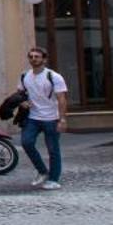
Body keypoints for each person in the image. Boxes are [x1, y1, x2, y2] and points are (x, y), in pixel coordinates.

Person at [18, 45, 70, 190]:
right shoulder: (24, 76)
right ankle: (42, 171)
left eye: (37, 57)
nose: (33, 59)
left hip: (51, 118)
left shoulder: (54, 77)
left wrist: (62, 119)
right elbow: (20, 93)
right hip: (33, 118)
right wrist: (22, 102)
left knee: (53, 149)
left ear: (44, 60)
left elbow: (62, 99)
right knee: (26, 142)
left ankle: (53, 179)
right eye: (31, 56)